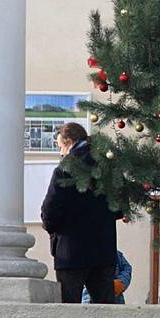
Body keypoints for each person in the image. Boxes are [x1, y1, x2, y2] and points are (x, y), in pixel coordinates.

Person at [41, 122, 122, 303]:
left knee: (70, 310)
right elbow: (119, 207)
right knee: (106, 310)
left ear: (69, 142)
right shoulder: (108, 166)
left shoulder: (65, 169)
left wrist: (49, 226)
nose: (61, 153)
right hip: (104, 250)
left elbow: (50, 210)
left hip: (71, 252)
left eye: (61, 147)